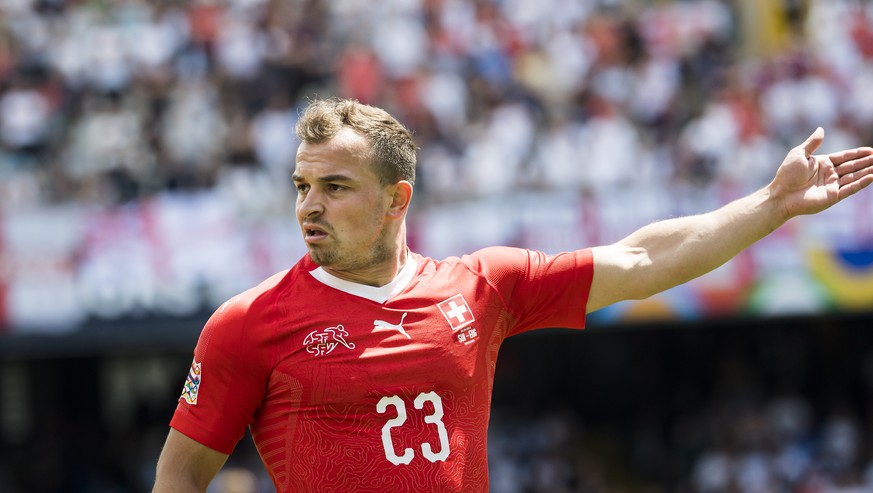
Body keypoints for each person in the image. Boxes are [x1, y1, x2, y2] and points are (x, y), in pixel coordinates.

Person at [152, 97, 873, 493]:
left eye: (335, 187)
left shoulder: (481, 285)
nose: (310, 204)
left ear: (396, 198)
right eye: (301, 186)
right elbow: (182, 474)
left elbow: (639, 256)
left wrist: (769, 207)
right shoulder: (247, 323)